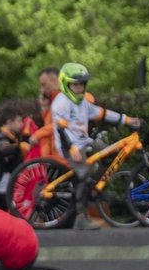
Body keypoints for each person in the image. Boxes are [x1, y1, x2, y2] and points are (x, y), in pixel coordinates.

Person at [50, 62, 140, 229]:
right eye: (75, 84)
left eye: (82, 84)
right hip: (68, 145)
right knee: (82, 176)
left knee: (112, 154)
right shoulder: (61, 102)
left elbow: (101, 113)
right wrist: (72, 148)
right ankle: (81, 217)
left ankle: (94, 188)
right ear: (66, 83)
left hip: (84, 141)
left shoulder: (83, 102)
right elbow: (62, 130)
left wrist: (127, 119)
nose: (79, 88)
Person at [0, 111, 27, 211]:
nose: (21, 124)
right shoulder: (3, 136)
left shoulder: (12, 136)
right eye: (19, 121)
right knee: (0, 206)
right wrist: (19, 147)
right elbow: (4, 149)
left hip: (11, 176)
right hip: (4, 177)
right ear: (9, 122)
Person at [30, 68, 61, 160]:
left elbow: (58, 124)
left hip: (60, 158)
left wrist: (37, 135)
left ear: (55, 81)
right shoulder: (55, 100)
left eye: (44, 85)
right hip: (53, 157)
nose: (42, 90)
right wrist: (45, 108)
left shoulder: (62, 100)